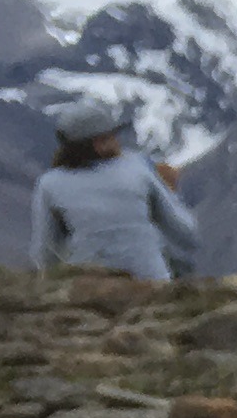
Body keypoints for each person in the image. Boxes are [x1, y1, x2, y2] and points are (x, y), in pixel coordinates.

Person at [30, 100, 202, 282]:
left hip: (86, 286)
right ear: (99, 144)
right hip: (151, 282)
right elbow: (186, 232)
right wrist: (171, 192)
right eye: (112, 135)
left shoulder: (48, 184)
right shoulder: (137, 167)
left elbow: (44, 250)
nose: (117, 140)